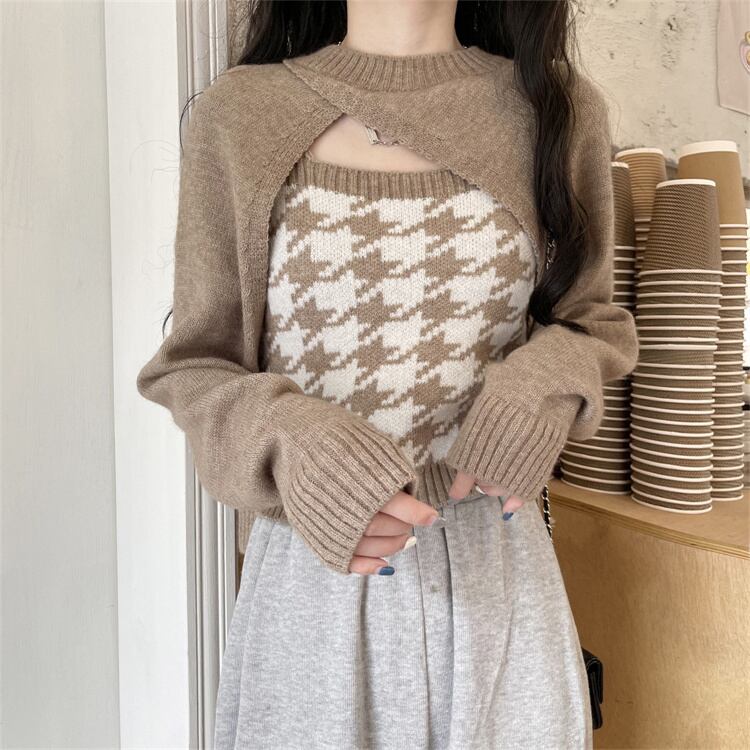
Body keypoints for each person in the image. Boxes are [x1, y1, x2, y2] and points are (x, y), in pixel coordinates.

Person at [136, 1, 639, 747]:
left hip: (498, 584)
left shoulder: (555, 109)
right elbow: (194, 367)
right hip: (314, 598)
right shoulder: (241, 115)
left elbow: (593, 325)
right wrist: (293, 438)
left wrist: (542, 384)